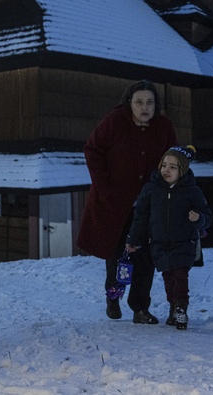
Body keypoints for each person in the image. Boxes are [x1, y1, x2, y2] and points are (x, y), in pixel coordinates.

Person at [76, 80, 177, 324]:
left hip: (148, 206)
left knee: (146, 258)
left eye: (150, 102)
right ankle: (113, 296)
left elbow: (174, 159)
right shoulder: (114, 122)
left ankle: (140, 308)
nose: (145, 107)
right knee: (118, 256)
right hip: (115, 205)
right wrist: (105, 186)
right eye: (139, 102)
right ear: (129, 103)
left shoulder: (163, 127)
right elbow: (92, 150)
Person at [125, 145, 212, 330]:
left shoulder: (192, 191)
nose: (166, 170)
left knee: (181, 276)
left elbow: (207, 218)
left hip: (185, 244)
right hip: (159, 244)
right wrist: (133, 239)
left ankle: (181, 308)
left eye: (172, 167)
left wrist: (199, 218)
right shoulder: (151, 189)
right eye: (164, 165)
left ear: (183, 169)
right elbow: (140, 216)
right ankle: (174, 308)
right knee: (168, 279)